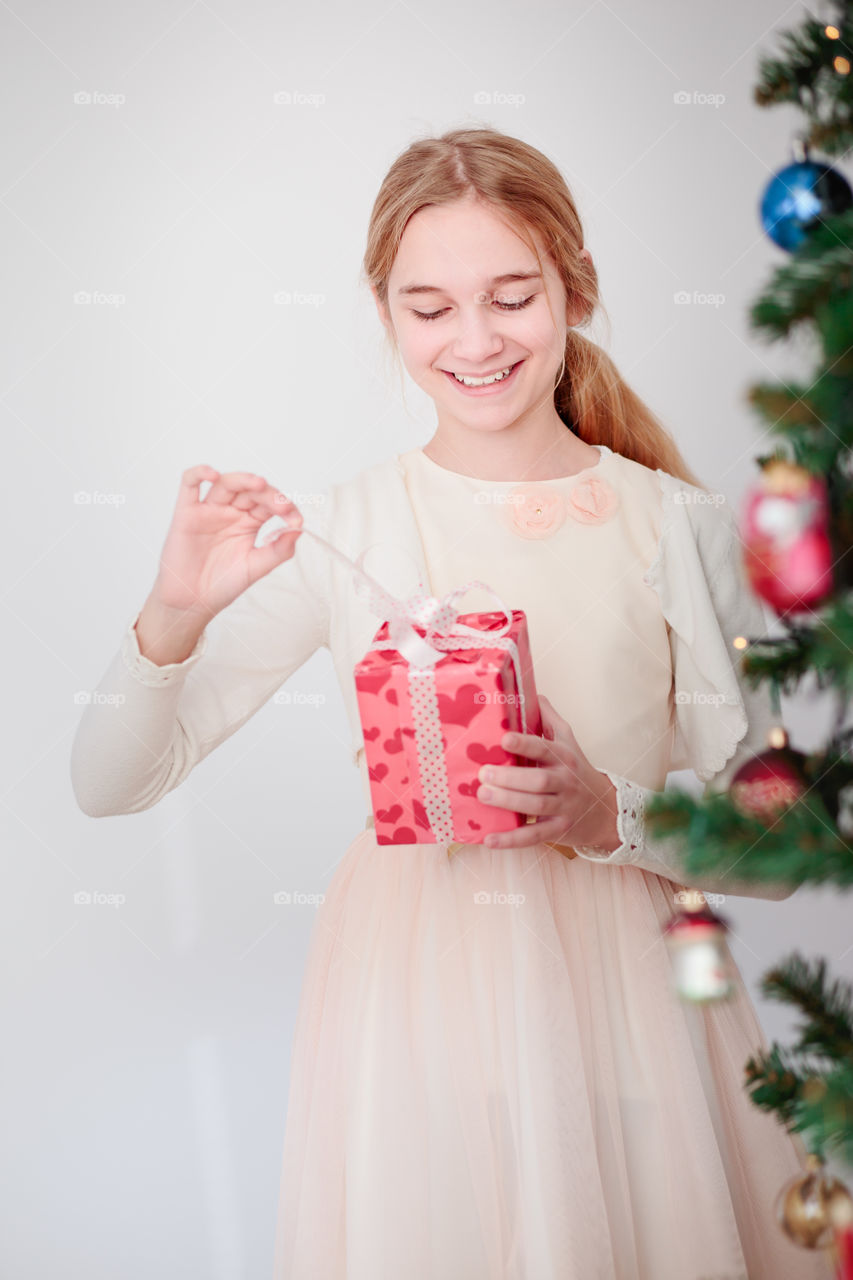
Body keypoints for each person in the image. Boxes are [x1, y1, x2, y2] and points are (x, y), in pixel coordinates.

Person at [70, 126, 834, 1280]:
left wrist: (606, 813)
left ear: (573, 291)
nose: (474, 341)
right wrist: (174, 610)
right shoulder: (347, 528)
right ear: (384, 315)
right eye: (429, 308)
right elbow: (109, 782)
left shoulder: (671, 524)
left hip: (631, 1002)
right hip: (411, 1007)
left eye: (511, 297)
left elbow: (781, 849)